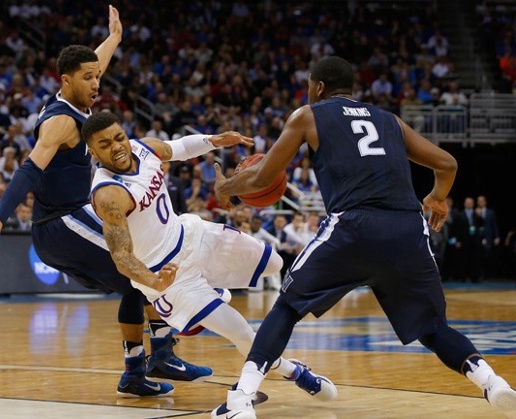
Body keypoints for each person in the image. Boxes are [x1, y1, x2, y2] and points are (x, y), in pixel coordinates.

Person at [212, 56, 516, 418]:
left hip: (353, 226)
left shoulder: (308, 116)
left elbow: (263, 179)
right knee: (433, 327)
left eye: (309, 86)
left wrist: (226, 187)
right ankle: (493, 383)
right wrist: (436, 197)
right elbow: (447, 163)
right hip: (407, 229)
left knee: (289, 305)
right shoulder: (389, 120)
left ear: (319, 87)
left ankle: (240, 399)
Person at [0, 6, 211, 398]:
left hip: (68, 222)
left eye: (98, 75)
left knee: (133, 283)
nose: (97, 82)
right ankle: (162, 351)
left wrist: (113, 38)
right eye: (89, 77)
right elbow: (29, 169)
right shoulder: (60, 122)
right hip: (61, 223)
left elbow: (95, 64)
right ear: (66, 81)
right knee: (140, 265)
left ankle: (135, 372)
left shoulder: (80, 98)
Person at [81, 111, 338, 404]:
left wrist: (214, 140)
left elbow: (178, 149)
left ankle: (213, 289)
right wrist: (154, 280)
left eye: (119, 137)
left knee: (275, 264)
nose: (117, 146)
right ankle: (295, 372)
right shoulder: (108, 194)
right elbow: (121, 256)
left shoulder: (143, 147)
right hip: (170, 277)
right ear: (92, 151)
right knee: (242, 333)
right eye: (105, 144)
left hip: (192, 236)